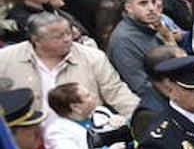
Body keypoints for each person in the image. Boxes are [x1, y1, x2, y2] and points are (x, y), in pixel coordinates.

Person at [0, 12, 138, 117]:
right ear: (36, 40)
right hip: (29, 139)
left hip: (84, 134)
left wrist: (142, 119)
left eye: (68, 33)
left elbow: (117, 92)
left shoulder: (92, 57)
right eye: (58, 37)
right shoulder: (6, 59)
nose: (67, 39)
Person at [107, 0, 177, 96]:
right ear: (129, 8)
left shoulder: (151, 24)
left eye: (154, 2)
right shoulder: (123, 40)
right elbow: (140, 85)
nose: (152, 8)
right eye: (143, 3)